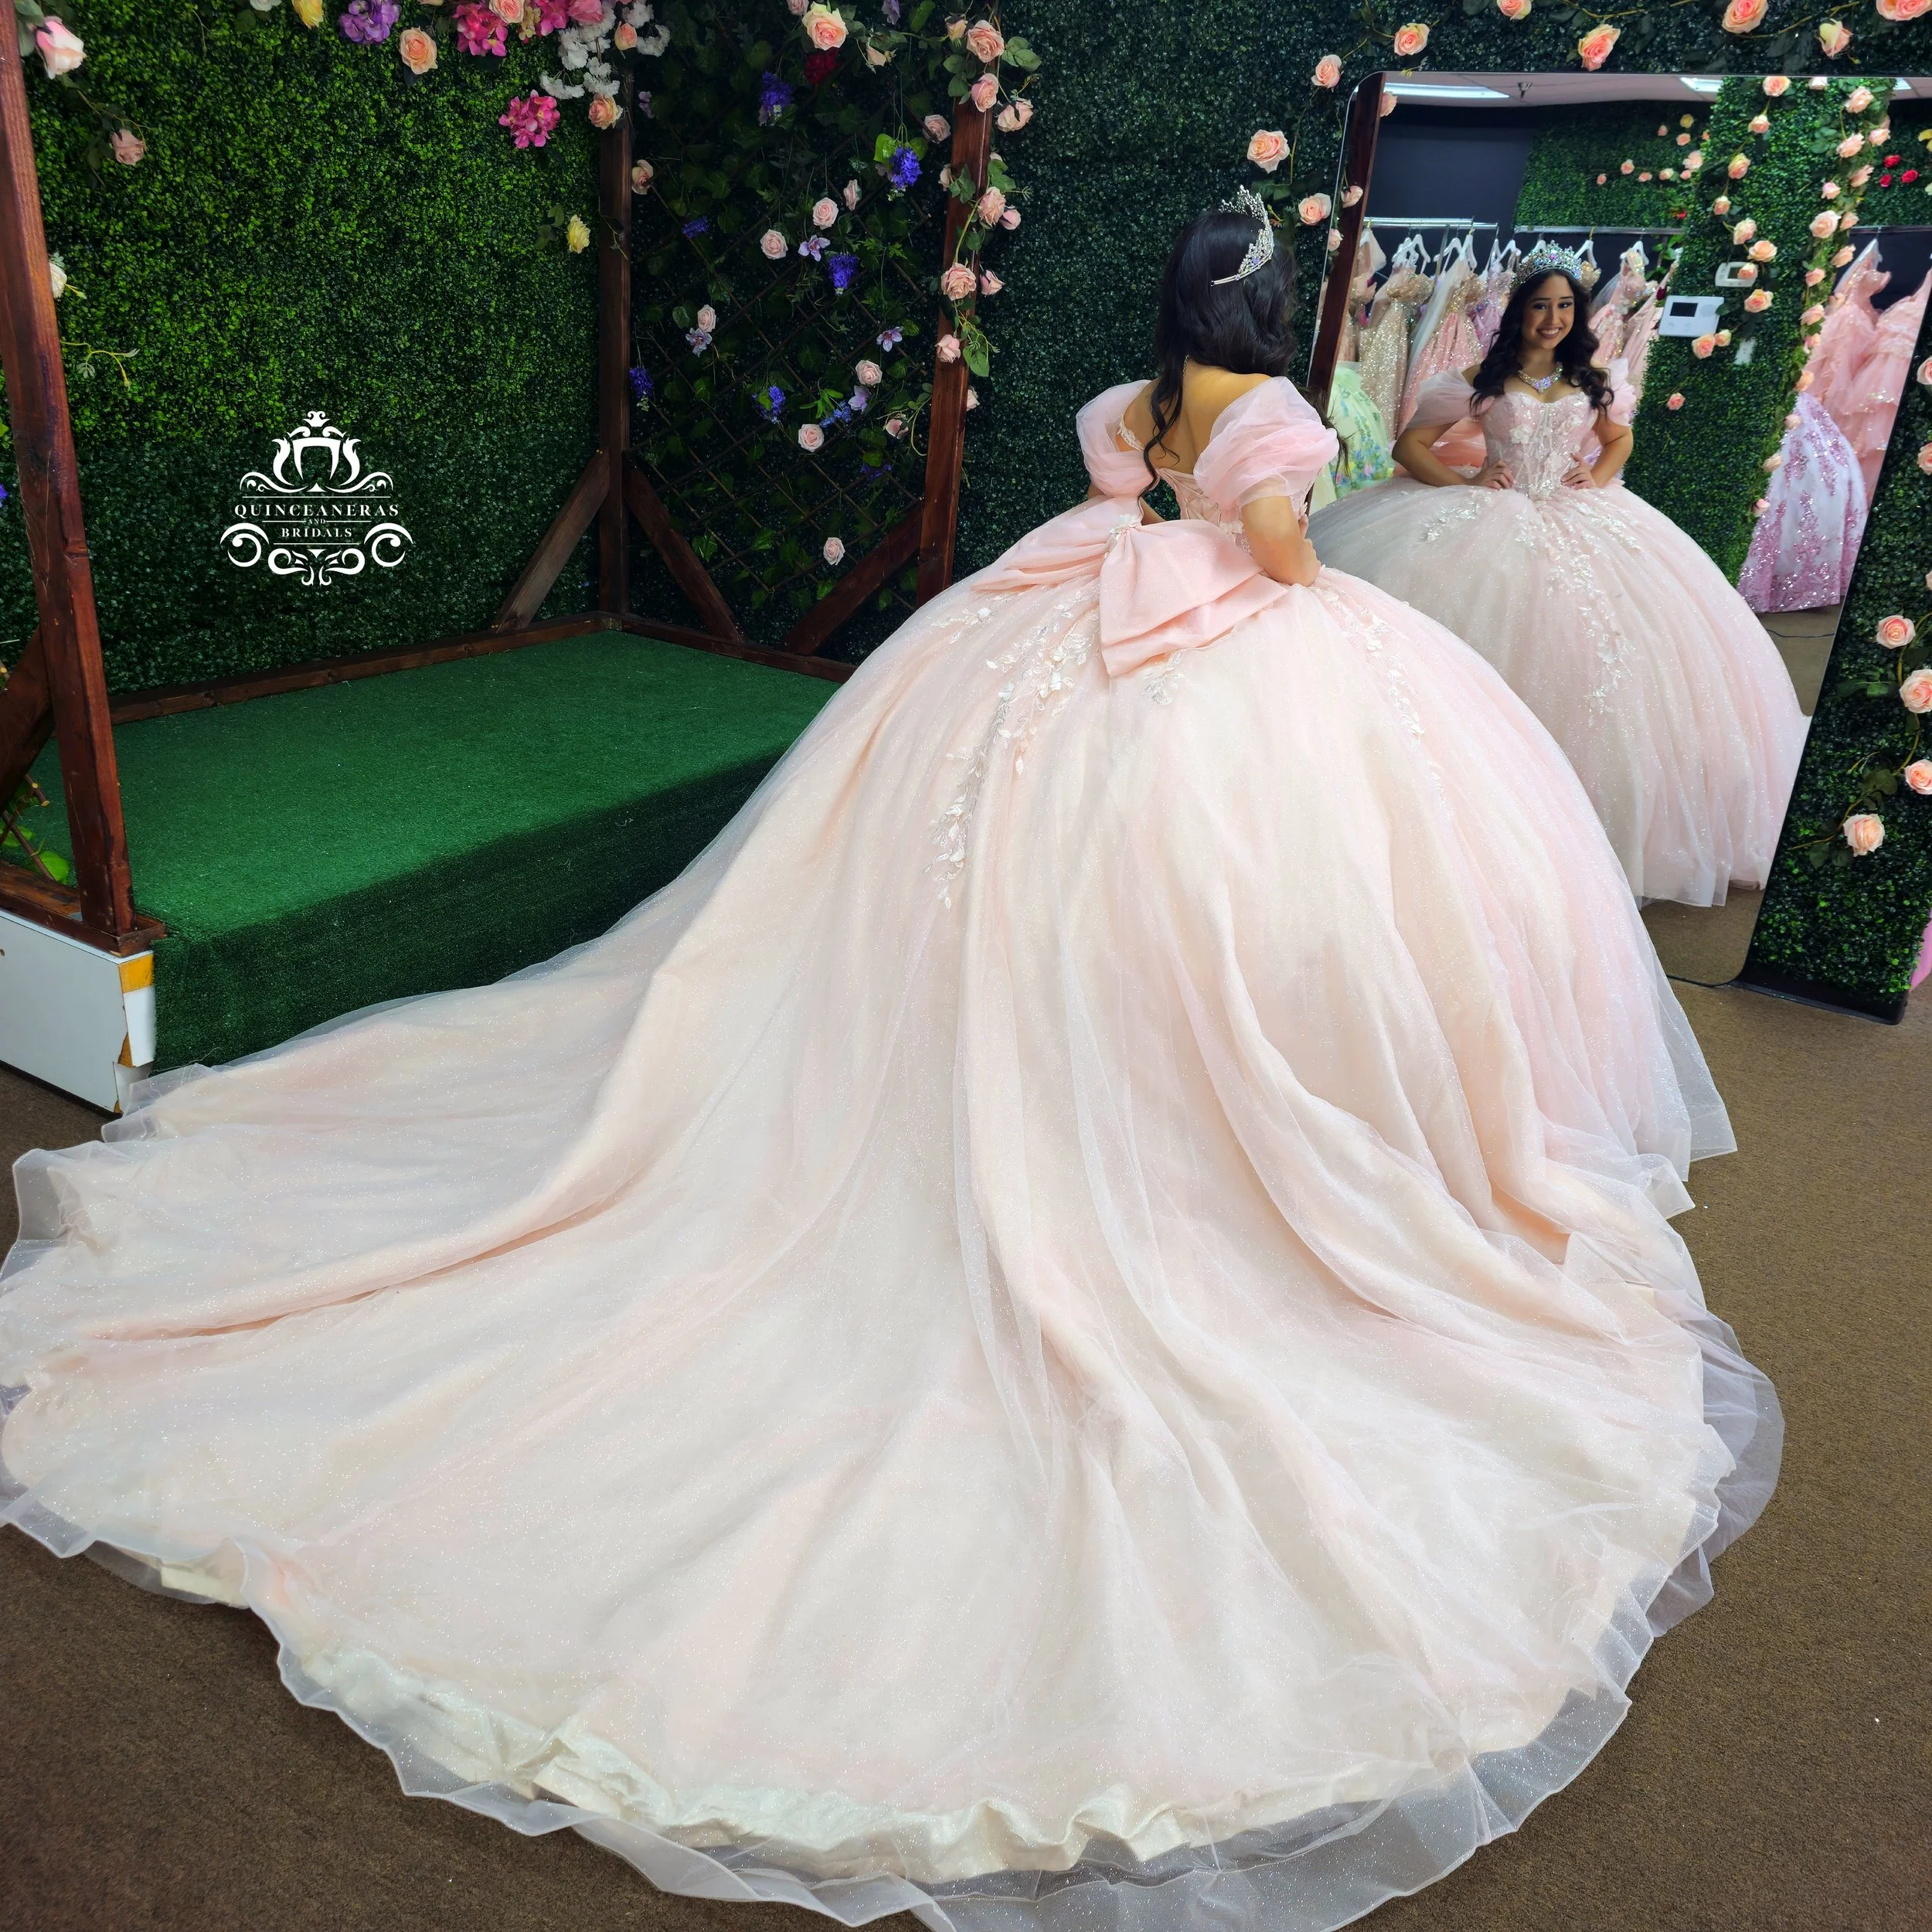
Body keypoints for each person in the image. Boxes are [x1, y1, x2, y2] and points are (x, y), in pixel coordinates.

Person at [0, 196, 1777, 1932]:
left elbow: (1116, 497)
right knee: (1266, 914)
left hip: (1063, 628)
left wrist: (1176, 527)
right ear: (1269, 306)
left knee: (971, 893)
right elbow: (1292, 558)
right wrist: (1273, 545)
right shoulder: (1282, 418)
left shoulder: (1151, 401)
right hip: (1227, 644)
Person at [1308, 246, 1809, 908]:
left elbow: (1618, 440)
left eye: (1565, 306)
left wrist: (1594, 477)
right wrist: (1468, 478)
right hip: (1491, 515)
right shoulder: (1478, 380)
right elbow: (1410, 448)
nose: (1553, 318)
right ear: (1519, 312)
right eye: (1541, 306)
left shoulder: (1592, 378)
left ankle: (1575, 831)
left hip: (1579, 513)